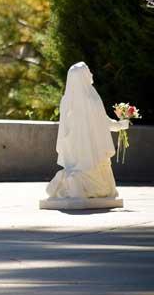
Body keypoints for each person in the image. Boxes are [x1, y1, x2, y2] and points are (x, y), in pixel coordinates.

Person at [45, 61, 129, 200]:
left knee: (85, 173)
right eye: (88, 70)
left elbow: (65, 130)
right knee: (103, 189)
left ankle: (69, 179)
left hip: (74, 150)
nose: (91, 73)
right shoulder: (91, 99)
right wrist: (120, 125)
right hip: (93, 150)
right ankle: (75, 180)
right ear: (83, 76)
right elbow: (104, 122)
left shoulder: (67, 100)